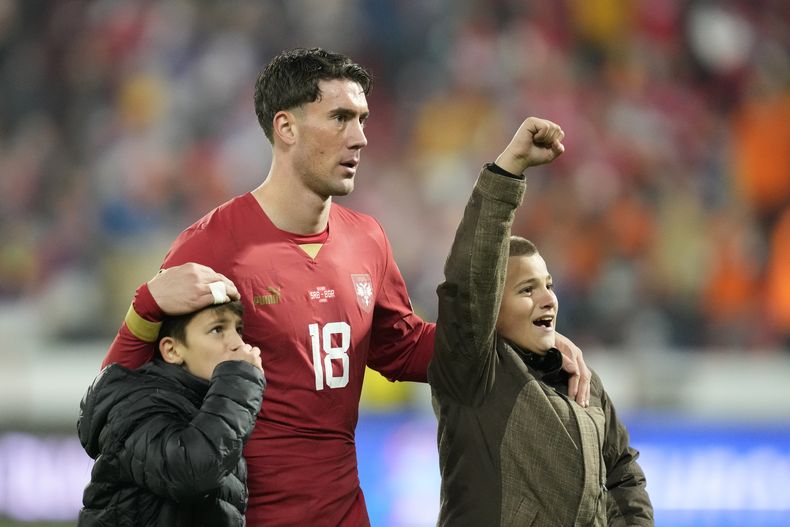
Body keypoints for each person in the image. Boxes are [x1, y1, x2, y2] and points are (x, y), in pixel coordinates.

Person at [101, 47, 592, 526]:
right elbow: (120, 401)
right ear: (286, 127)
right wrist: (143, 308)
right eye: (339, 118)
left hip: (345, 512)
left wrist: (518, 340)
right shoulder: (212, 247)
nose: (359, 137)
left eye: (362, 119)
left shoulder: (367, 239)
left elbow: (408, 349)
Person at [428, 116, 653, 526]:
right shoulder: (476, 377)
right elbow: (468, 284)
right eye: (526, 290)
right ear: (490, 307)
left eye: (547, 284)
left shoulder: (581, 379)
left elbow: (622, 472)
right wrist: (510, 168)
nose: (549, 298)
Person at [78, 300, 266, 526]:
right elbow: (191, 472)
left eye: (238, 330)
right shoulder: (137, 405)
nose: (239, 344)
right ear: (172, 350)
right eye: (217, 330)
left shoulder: (211, 406)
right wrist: (239, 382)